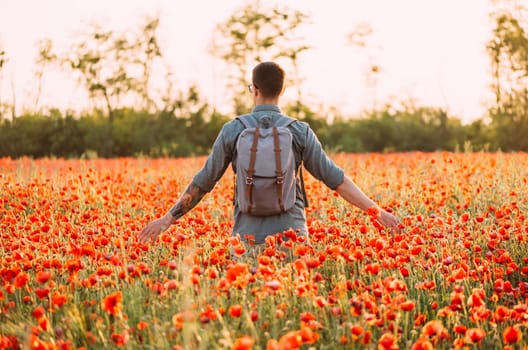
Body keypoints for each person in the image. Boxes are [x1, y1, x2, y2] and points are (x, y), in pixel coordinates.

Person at [139, 61, 401, 249]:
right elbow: (337, 180)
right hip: (292, 236)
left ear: (253, 89)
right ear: (282, 90)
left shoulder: (233, 130)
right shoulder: (299, 131)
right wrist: (377, 212)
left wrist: (168, 218)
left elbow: (204, 181)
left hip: (246, 239)